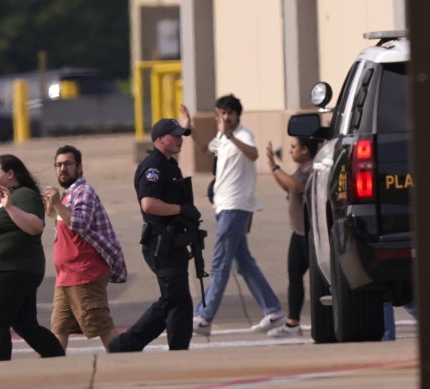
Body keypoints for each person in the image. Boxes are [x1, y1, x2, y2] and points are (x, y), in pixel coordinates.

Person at [180, 95, 285, 336]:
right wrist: (190, 129)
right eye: (221, 114)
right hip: (224, 206)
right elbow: (207, 150)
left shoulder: (242, 135)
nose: (225, 118)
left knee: (220, 263)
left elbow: (253, 154)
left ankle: (204, 317)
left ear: (237, 115)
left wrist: (230, 136)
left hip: (236, 206)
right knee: (244, 263)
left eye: (229, 113)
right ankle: (273, 310)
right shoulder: (222, 137)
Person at [108, 118, 200, 352]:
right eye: (175, 135)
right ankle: (126, 344)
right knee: (174, 298)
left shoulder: (171, 166)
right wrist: (181, 210)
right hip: (160, 242)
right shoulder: (153, 167)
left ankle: (177, 348)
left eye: (181, 135)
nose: (180, 139)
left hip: (175, 241)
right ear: (160, 139)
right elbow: (149, 204)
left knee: (178, 299)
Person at [0, 154, 65, 362]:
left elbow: (35, 226)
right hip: (8, 270)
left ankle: (0, 374)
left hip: (12, 270)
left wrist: (9, 207)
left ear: (10, 174)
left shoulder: (25, 195)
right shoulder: (4, 197)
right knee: (25, 325)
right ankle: (57, 357)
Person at [43, 145, 127, 352]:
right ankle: (52, 378)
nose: (62, 169)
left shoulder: (83, 191)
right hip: (66, 277)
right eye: (58, 165)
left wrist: (57, 204)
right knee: (58, 332)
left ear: (79, 167)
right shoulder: (67, 195)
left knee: (104, 329)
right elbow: (66, 227)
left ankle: (127, 365)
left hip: (84, 275)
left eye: (67, 164)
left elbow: (80, 222)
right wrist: (52, 209)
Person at [265, 137, 318, 337]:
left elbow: (296, 187)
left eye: (294, 147)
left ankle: (322, 318)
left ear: (305, 150)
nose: (290, 151)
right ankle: (292, 324)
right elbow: (288, 187)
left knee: (317, 279)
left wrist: (277, 167)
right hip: (298, 232)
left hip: (311, 234)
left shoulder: (311, 168)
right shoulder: (301, 168)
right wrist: (272, 167)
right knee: (294, 276)